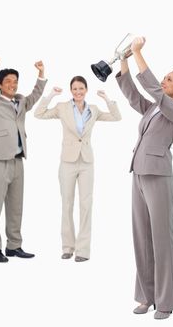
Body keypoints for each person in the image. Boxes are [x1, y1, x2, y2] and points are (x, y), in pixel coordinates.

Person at [116, 37, 173, 319]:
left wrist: (139, 53)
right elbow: (133, 96)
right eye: (164, 77)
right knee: (141, 238)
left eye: (169, 79)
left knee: (162, 239)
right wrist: (124, 58)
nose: (163, 81)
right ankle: (146, 296)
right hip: (137, 174)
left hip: (158, 177)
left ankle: (167, 300)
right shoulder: (154, 108)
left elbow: (153, 91)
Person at [34, 76, 121, 262]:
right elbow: (38, 113)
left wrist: (107, 99)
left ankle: (82, 250)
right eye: (74, 89)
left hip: (87, 162)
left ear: (86, 90)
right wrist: (50, 95)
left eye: (81, 88)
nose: (78, 92)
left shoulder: (94, 110)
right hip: (67, 161)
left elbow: (116, 117)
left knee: (86, 205)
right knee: (67, 204)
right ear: (71, 90)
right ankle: (67, 247)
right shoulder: (62, 107)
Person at [0, 57, 47, 263]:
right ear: (0, 84)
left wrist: (41, 74)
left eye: (15, 81)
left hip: (18, 160)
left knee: (16, 206)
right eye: (8, 81)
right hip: (0, 159)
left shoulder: (21, 101)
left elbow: (35, 95)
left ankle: (14, 246)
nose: (12, 84)